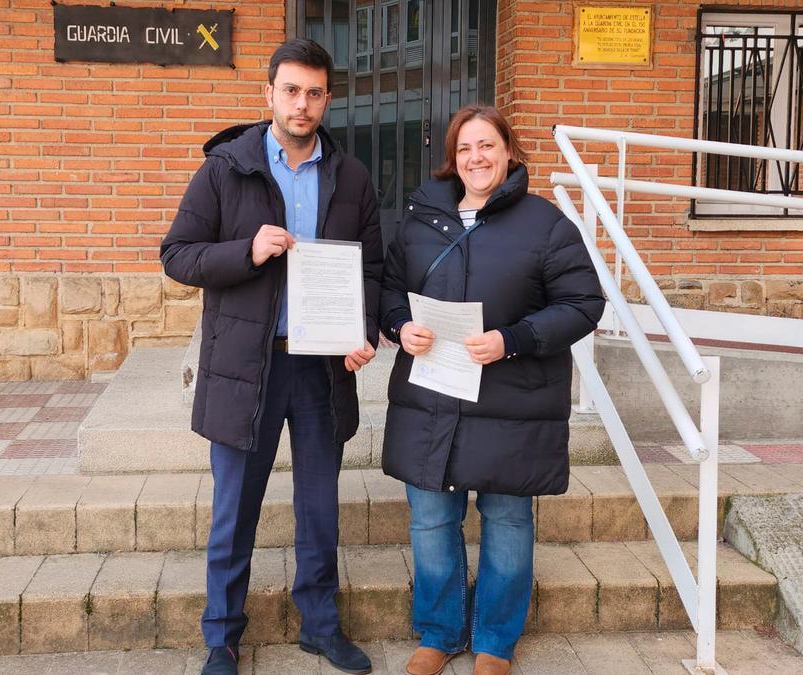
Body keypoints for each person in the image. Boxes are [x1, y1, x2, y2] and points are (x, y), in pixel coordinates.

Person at [160, 38, 381, 675]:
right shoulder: (224, 170)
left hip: (321, 366)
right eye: (291, 90)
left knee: (320, 505)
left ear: (328, 100)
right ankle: (222, 637)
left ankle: (320, 625)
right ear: (269, 95)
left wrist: (363, 327)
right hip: (244, 366)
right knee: (235, 509)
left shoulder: (352, 176)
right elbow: (178, 255)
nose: (302, 104)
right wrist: (247, 251)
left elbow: (371, 270)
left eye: (314, 93)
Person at [379, 105, 605, 675]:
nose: (476, 158)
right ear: (452, 160)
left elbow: (583, 304)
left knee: (507, 520)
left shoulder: (545, 224)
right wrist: (399, 327)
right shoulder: (419, 220)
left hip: (512, 401)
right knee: (431, 521)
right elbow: (387, 292)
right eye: (464, 150)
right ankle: (440, 632)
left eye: (487, 146)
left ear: (509, 151)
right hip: (430, 399)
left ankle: (495, 642)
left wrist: (514, 339)